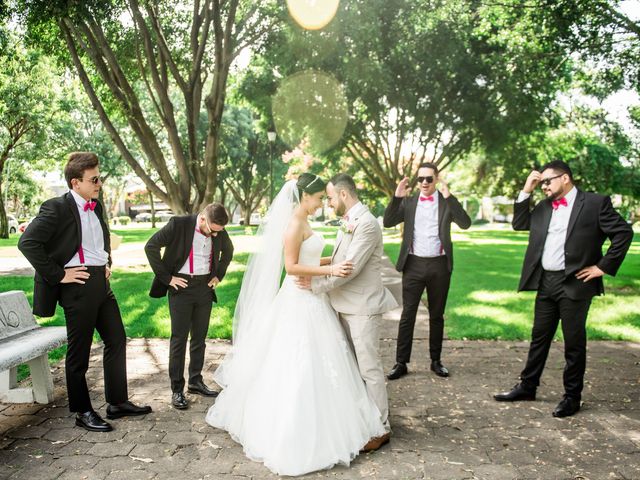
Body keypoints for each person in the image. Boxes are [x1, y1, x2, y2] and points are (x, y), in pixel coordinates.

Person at [206, 174, 386, 476]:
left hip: (314, 300)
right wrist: (329, 268)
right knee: (295, 362)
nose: (321, 204)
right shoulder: (293, 224)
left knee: (327, 360)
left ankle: (350, 421)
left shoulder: (306, 222)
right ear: (305, 197)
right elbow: (291, 267)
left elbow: (311, 255)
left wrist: (330, 261)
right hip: (298, 299)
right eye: (318, 198)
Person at [18, 152, 151, 432]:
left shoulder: (96, 205)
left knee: (116, 339)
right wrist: (59, 275)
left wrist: (106, 264)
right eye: (94, 179)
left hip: (100, 283)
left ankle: (117, 403)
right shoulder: (56, 207)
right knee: (79, 352)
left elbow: (100, 239)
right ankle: (82, 411)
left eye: (99, 178)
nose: (99, 183)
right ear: (75, 182)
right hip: (76, 286)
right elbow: (27, 243)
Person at [494, 160, 633, 417]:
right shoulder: (544, 206)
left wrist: (602, 267)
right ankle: (528, 386)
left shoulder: (594, 203)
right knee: (539, 337)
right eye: (541, 182)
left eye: (547, 181)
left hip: (577, 282)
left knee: (574, 343)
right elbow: (519, 223)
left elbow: (623, 233)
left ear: (565, 178)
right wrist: (527, 189)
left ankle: (572, 397)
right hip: (546, 281)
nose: (543, 186)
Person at [299, 173, 398, 452]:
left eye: (330, 197)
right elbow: (338, 258)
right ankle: (362, 417)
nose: (328, 203)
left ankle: (382, 428)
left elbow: (350, 268)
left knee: (369, 368)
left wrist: (315, 284)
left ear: (343, 195)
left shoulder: (366, 224)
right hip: (341, 305)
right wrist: (309, 264)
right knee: (351, 367)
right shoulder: (348, 221)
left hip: (362, 307)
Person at [383, 162, 471, 380]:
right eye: (420, 179)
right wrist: (396, 197)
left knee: (436, 315)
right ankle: (401, 362)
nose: (423, 183)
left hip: (439, 266)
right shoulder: (409, 203)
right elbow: (388, 221)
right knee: (408, 315)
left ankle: (436, 361)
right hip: (413, 265)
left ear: (436, 179)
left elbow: (465, 223)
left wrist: (450, 197)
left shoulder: (446, 203)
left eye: (428, 179)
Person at [145, 203, 234, 410]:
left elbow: (228, 251)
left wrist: (218, 275)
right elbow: (151, 246)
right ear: (202, 218)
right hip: (181, 287)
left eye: (217, 232)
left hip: (204, 287)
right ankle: (177, 389)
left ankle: (195, 381)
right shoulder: (178, 224)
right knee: (179, 339)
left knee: (199, 338)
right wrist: (168, 279)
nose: (214, 235)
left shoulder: (218, 228)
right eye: (211, 231)